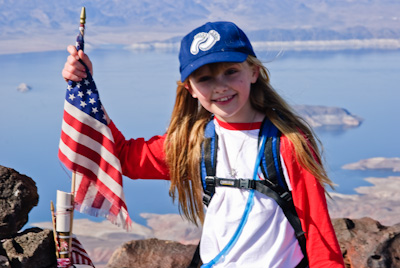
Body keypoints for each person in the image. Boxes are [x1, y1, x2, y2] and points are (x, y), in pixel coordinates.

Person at [62, 21, 345, 268]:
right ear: (191, 89)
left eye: (231, 72)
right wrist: (85, 88)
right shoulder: (193, 143)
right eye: (205, 79)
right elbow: (122, 157)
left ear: (254, 72)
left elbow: (318, 230)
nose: (220, 87)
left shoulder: (287, 143)